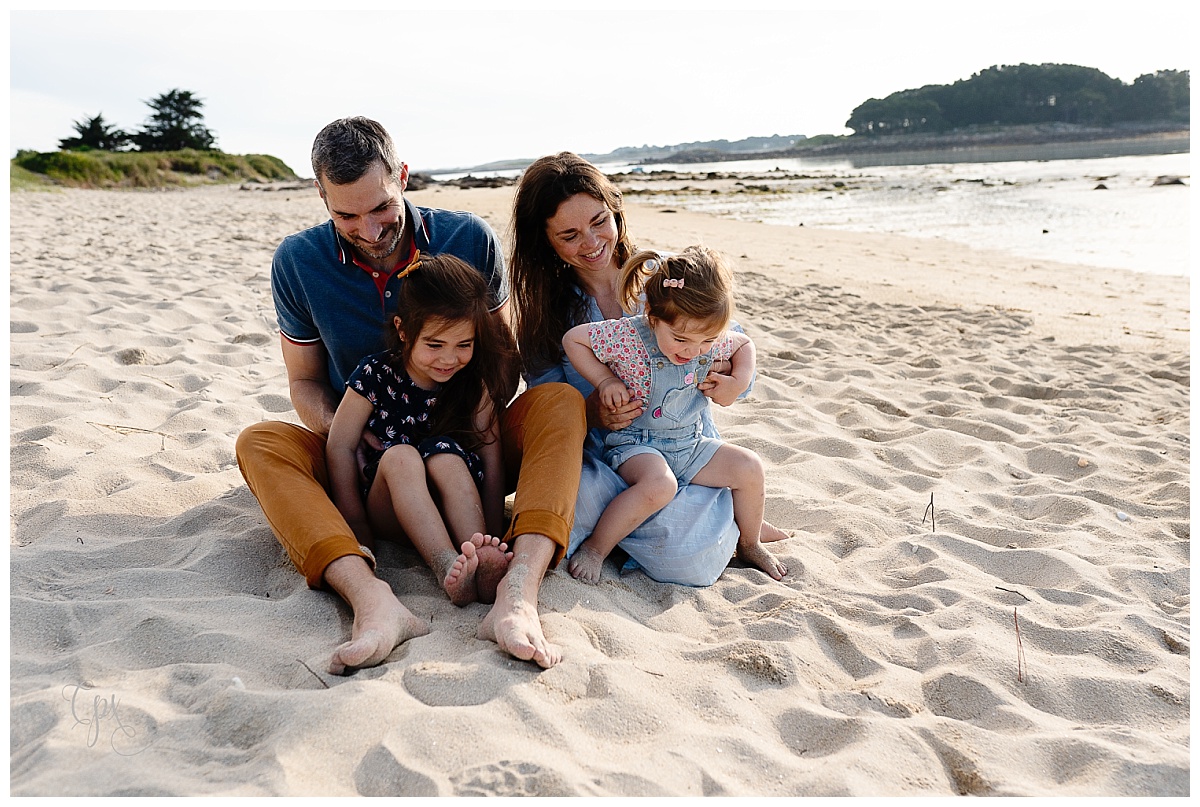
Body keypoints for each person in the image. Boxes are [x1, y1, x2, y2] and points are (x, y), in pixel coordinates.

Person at [236, 118, 583, 673]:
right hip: (367, 457)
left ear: (401, 177)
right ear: (321, 197)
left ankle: (517, 591)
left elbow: (503, 358)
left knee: (560, 402)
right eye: (345, 215)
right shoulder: (298, 263)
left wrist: (470, 418)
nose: (370, 230)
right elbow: (302, 382)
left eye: (381, 209)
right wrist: (349, 431)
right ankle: (370, 597)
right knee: (261, 441)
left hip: (468, 443)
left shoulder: (467, 238)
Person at [509, 152, 789, 587]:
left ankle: (726, 528)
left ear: (615, 210)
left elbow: (729, 341)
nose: (591, 242)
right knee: (575, 511)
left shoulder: (662, 281)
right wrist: (597, 408)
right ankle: (664, 530)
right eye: (569, 234)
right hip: (610, 456)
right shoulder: (544, 315)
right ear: (545, 242)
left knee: (687, 557)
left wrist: (735, 384)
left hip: (685, 446)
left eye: (599, 221)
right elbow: (550, 406)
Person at [562, 246, 788, 584]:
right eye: (680, 339)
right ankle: (597, 547)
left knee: (749, 467)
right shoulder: (628, 335)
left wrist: (736, 381)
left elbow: (744, 345)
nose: (693, 351)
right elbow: (574, 340)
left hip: (691, 442)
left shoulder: (704, 334)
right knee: (660, 484)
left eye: (707, 341)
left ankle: (749, 542)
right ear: (652, 315)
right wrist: (605, 380)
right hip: (636, 444)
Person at [326, 254, 517, 606]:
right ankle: (446, 564)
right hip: (392, 508)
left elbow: (491, 456)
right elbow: (339, 445)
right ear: (403, 330)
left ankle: (477, 554)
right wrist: (356, 522)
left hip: (455, 507)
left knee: (446, 456)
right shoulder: (376, 375)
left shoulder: (474, 384)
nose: (449, 359)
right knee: (401, 456)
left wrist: (493, 534)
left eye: (464, 345)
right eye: (434, 345)